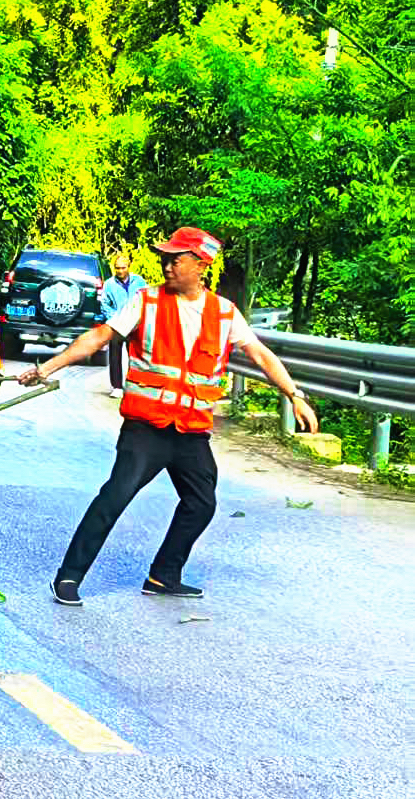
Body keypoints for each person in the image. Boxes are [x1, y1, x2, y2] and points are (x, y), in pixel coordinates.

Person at [18, 227, 319, 607]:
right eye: (165, 258)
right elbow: (97, 338)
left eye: (176, 259)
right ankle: (69, 576)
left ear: (201, 265)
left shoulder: (224, 313)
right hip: (146, 428)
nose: (167, 265)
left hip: (190, 432)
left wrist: (294, 394)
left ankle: (164, 576)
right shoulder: (145, 302)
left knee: (201, 503)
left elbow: (260, 354)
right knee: (115, 497)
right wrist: (47, 368)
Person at [101, 253, 148, 399]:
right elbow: (104, 304)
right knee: (114, 356)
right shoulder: (109, 284)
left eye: (123, 268)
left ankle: (133, 385)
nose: (120, 271)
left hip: (134, 325)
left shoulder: (139, 281)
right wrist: (115, 319)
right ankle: (117, 387)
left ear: (129, 267)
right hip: (117, 325)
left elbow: (146, 299)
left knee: (135, 357)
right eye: (117, 268)